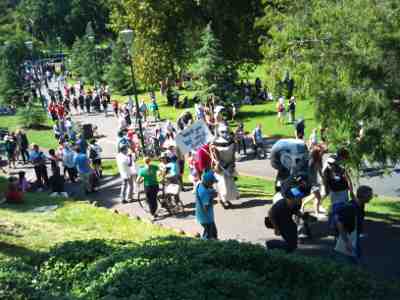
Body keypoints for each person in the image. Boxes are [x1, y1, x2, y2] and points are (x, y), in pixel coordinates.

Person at [266, 178, 307, 252]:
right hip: (280, 222)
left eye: (301, 198)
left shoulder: (297, 203)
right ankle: (270, 244)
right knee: (291, 244)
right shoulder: (281, 204)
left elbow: (295, 210)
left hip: (288, 221)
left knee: (293, 242)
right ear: (291, 199)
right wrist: (276, 229)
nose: (300, 200)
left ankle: (288, 251)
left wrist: (303, 216)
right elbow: (271, 214)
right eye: (298, 198)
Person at [333, 186, 373, 263]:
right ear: (363, 195)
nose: (371, 197)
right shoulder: (351, 207)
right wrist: (347, 242)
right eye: (369, 195)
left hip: (354, 236)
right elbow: (339, 223)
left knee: (355, 259)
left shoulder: (361, 204)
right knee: (347, 261)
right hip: (347, 238)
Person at [195, 170, 218, 240]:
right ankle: (206, 243)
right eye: (211, 183)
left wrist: (211, 192)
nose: (212, 184)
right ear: (208, 182)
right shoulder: (205, 193)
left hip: (202, 216)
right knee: (208, 235)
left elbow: (207, 189)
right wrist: (212, 197)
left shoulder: (200, 185)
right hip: (206, 218)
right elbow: (206, 208)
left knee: (213, 232)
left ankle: (212, 240)